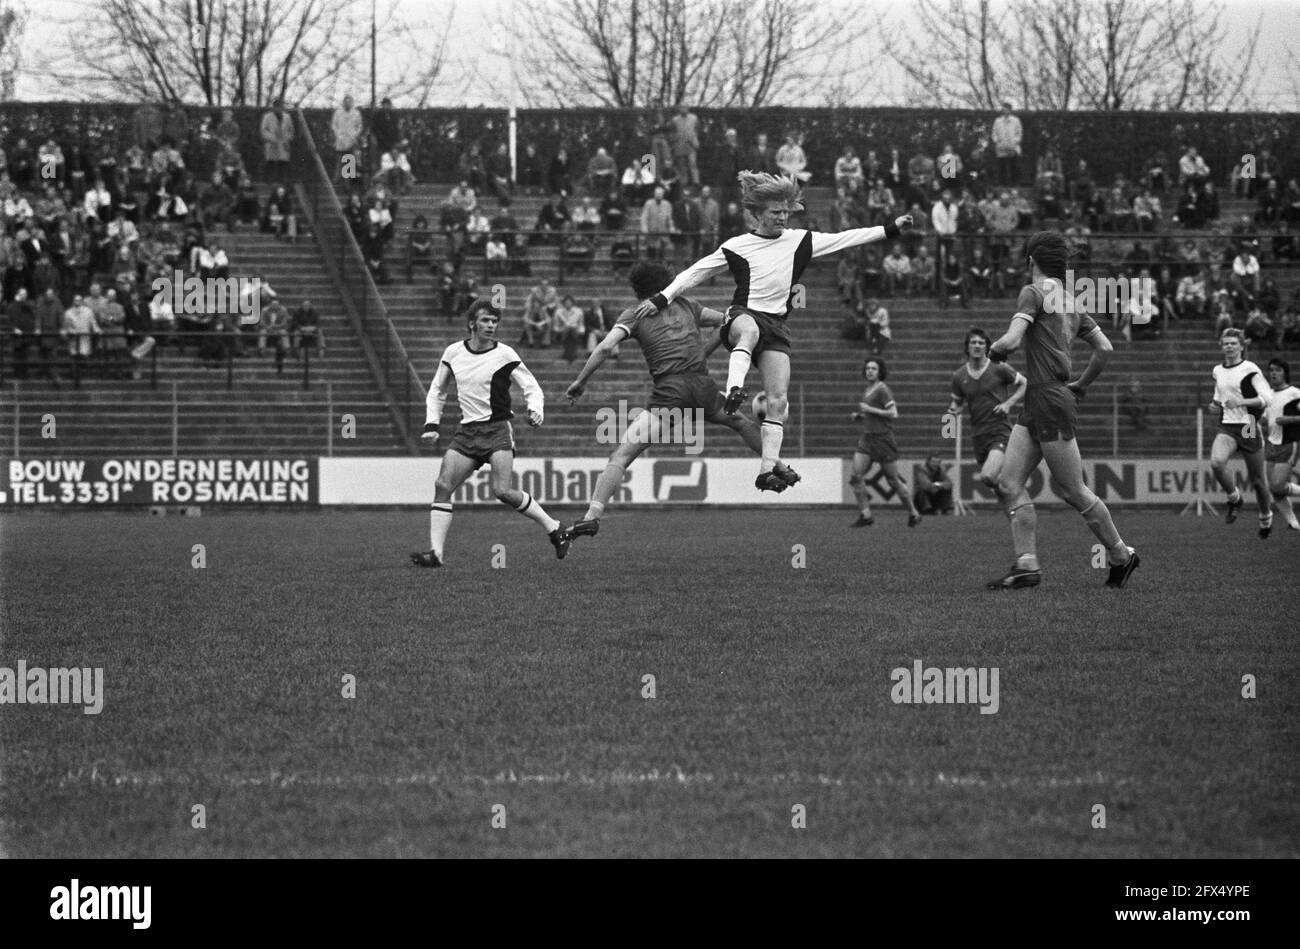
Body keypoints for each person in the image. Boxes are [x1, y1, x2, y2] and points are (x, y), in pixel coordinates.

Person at [631, 171, 913, 492]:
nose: (782, 217)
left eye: (785, 211)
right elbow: (693, 274)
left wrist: (889, 229)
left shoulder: (801, 241)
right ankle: (735, 389)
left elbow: (846, 237)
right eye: (775, 212)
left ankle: (767, 470)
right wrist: (661, 298)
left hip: (776, 326)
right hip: (741, 316)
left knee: (778, 401)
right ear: (757, 214)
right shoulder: (737, 246)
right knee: (748, 332)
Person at [563, 262, 784, 541]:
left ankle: (592, 517)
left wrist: (580, 381)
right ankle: (777, 465)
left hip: (670, 391)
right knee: (740, 422)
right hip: (702, 386)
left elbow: (606, 347)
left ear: (636, 289)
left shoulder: (634, 315)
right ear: (668, 283)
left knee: (621, 456)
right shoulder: (688, 304)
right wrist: (706, 351)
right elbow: (727, 322)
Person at [985, 230, 1139, 589]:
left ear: (1031, 261)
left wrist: (995, 349)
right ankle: (1026, 565)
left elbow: (1011, 339)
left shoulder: (1034, 292)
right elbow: (1105, 349)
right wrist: (1082, 385)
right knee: (1008, 483)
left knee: (1073, 491)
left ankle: (1121, 556)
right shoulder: (1071, 301)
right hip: (1043, 398)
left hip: (1048, 399)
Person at [411, 300, 572, 567]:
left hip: (497, 429)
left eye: (494, 321)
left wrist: (535, 409)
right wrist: (432, 423)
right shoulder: (453, 353)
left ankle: (554, 528)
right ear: (472, 323)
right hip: (467, 432)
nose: (491, 326)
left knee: (502, 490)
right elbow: (437, 390)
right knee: (442, 486)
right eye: (485, 320)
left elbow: (531, 385)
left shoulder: (505, 354)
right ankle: (435, 555)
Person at [1208, 328, 1274, 538]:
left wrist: (1242, 402)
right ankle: (1235, 498)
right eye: (1226, 343)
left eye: (1233, 343)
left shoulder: (1250, 369)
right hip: (1228, 424)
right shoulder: (1218, 370)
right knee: (1217, 462)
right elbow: (1220, 395)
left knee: (1257, 481)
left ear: (1242, 346)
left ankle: (1265, 517)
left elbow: (1267, 398)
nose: (1229, 346)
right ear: (1221, 346)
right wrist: (1215, 405)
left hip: (1249, 424)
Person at [947, 327, 1027, 501]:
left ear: (987, 347)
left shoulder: (999, 368)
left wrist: (1008, 404)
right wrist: (952, 414)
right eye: (973, 342)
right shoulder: (959, 376)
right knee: (1001, 495)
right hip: (978, 436)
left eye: (981, 343)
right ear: (967, 347)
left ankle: (1015, 488)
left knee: (988, 476)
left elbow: (1025, 384)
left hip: (1000, 431)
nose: (977, 346)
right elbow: (957, 403)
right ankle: (1017, 509)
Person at [849, 357, 921, 527]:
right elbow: (872, 414)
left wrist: (868, 409)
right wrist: (860, 416)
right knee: (855, 476)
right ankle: (866, 515)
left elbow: (893, 413)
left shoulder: (883, 389)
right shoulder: (868, 389)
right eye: (867, 368)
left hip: (883, 439)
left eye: (873, 368)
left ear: (880, 371)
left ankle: (913, 513)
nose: (870, 371)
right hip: (867, 439)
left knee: (893, 480)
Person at [1262, 358, 1300, 532]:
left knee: (1277, 486)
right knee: (1275, 490)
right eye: (1271, 370)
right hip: (1271, 445)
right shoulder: (1267, 395)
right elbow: (1262, 419)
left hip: (1288, 443)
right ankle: (1293, 524)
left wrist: (1291, 419)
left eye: (1277, 370)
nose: (1273, 373)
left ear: (1285, 373)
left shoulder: (1294, 393)